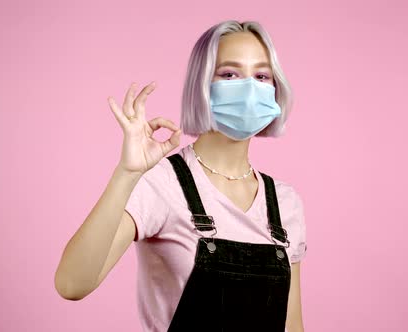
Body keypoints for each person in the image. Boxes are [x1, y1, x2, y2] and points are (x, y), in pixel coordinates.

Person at [55, 20, 307, 332]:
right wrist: (126, 174)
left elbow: (292, 326)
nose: (249, 88)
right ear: (203, 84)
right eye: (229, 74)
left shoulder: (285, 203)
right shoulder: (161, 183)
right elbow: (72, 284)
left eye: (261, 76)